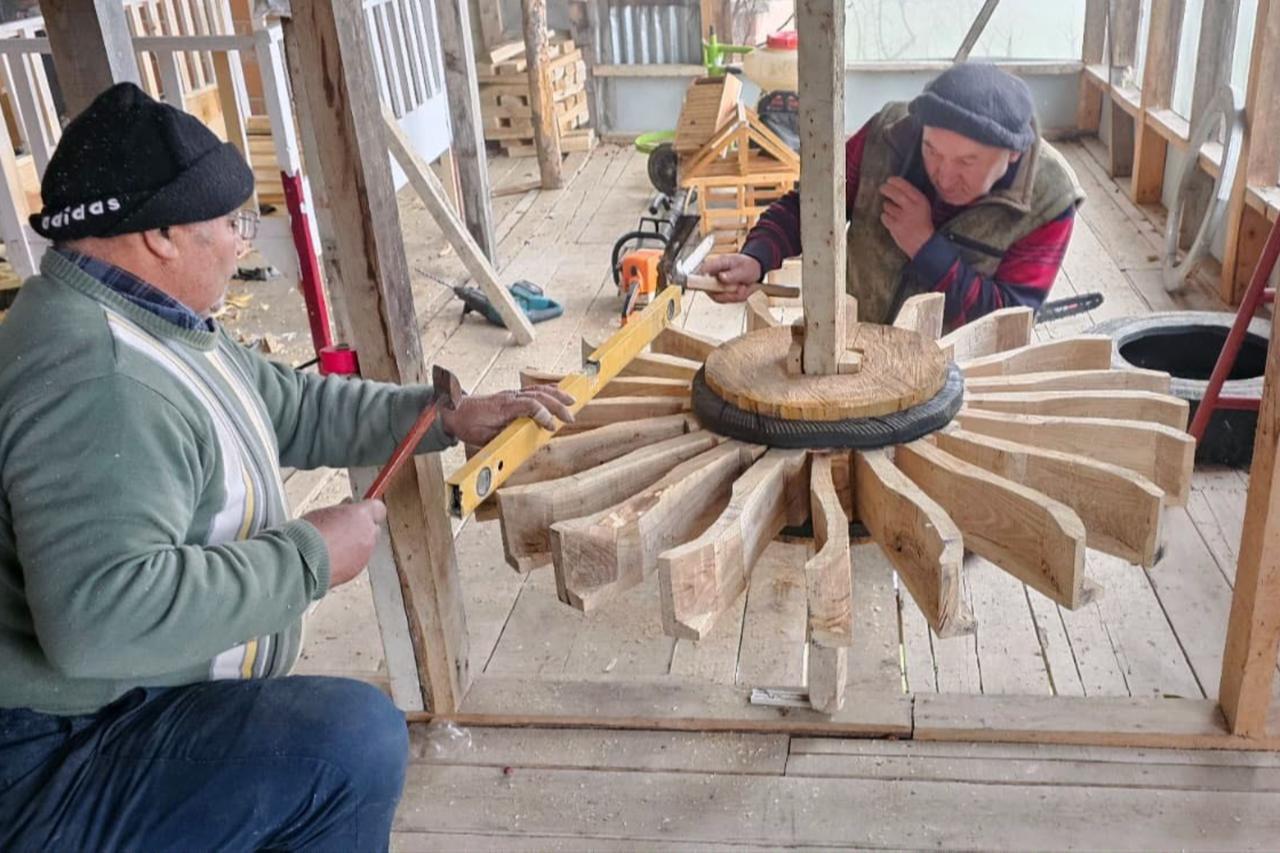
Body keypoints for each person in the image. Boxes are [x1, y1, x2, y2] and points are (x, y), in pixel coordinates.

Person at [0, 82, 573, 851]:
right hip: (57, 754)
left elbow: (291, 406)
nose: (245, 241)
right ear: (161, 234)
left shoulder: (143, 318)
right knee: (347, 742)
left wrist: (442, 417)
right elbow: (98, 622)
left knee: (323, 737)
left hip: (117, 701)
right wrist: (308, 556)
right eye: (230, 222)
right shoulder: (99, 376)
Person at [701, 63, 1085, 331]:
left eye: (968, 161)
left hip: (952, 374)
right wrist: (757, 257)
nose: (945, 175)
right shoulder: (888, 133)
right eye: (932, 150)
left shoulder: (1049, 199)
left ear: (1013, 154)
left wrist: (926, 248)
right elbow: (809, 209)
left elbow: (1005, 322)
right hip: (854, 340)